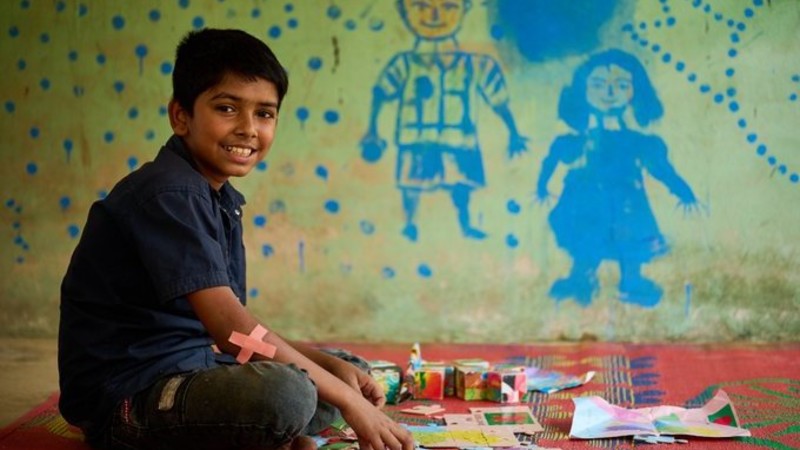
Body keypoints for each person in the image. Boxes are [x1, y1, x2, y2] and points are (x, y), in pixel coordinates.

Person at [58, 28, 415, 450]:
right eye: (227, 108)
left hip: (195, 364)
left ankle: (265, 432)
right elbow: (233, 330)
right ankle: (265, 430)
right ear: (181, 116)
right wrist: (349, 403)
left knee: (346, 368)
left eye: (264, 114)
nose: (248, 128)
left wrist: (329, 370)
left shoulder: (218, 197)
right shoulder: (169, 194)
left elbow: (239, 336)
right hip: (129, 397)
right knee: (291, 393)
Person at [536, 49, 699, 307]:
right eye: (598, 84)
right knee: (586, 237)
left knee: (630, 239)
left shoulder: (638, 141)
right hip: (587, 196)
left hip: (625, 199)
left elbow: (661, 169)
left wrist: (683, 190)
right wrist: (542, 185)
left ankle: (632, 281)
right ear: (583, 90)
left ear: (635, 91)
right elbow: (554, 157)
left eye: (621, 85)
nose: (609, 93)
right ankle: (581, 279)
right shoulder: (580, 140)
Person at [360, 0, 527, 242]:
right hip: (416, 138)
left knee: (462, 184)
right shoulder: (405, 64)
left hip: (459, 138)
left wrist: (513, 132)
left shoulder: (475, 65)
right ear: (403, 10)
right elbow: (381, 92)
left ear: (465, 8)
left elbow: (498, 100)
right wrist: (372, 129)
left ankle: (465, 224)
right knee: (412, 183)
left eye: (449, 7)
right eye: (421, 6)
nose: (434, 16)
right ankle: (409, 224)